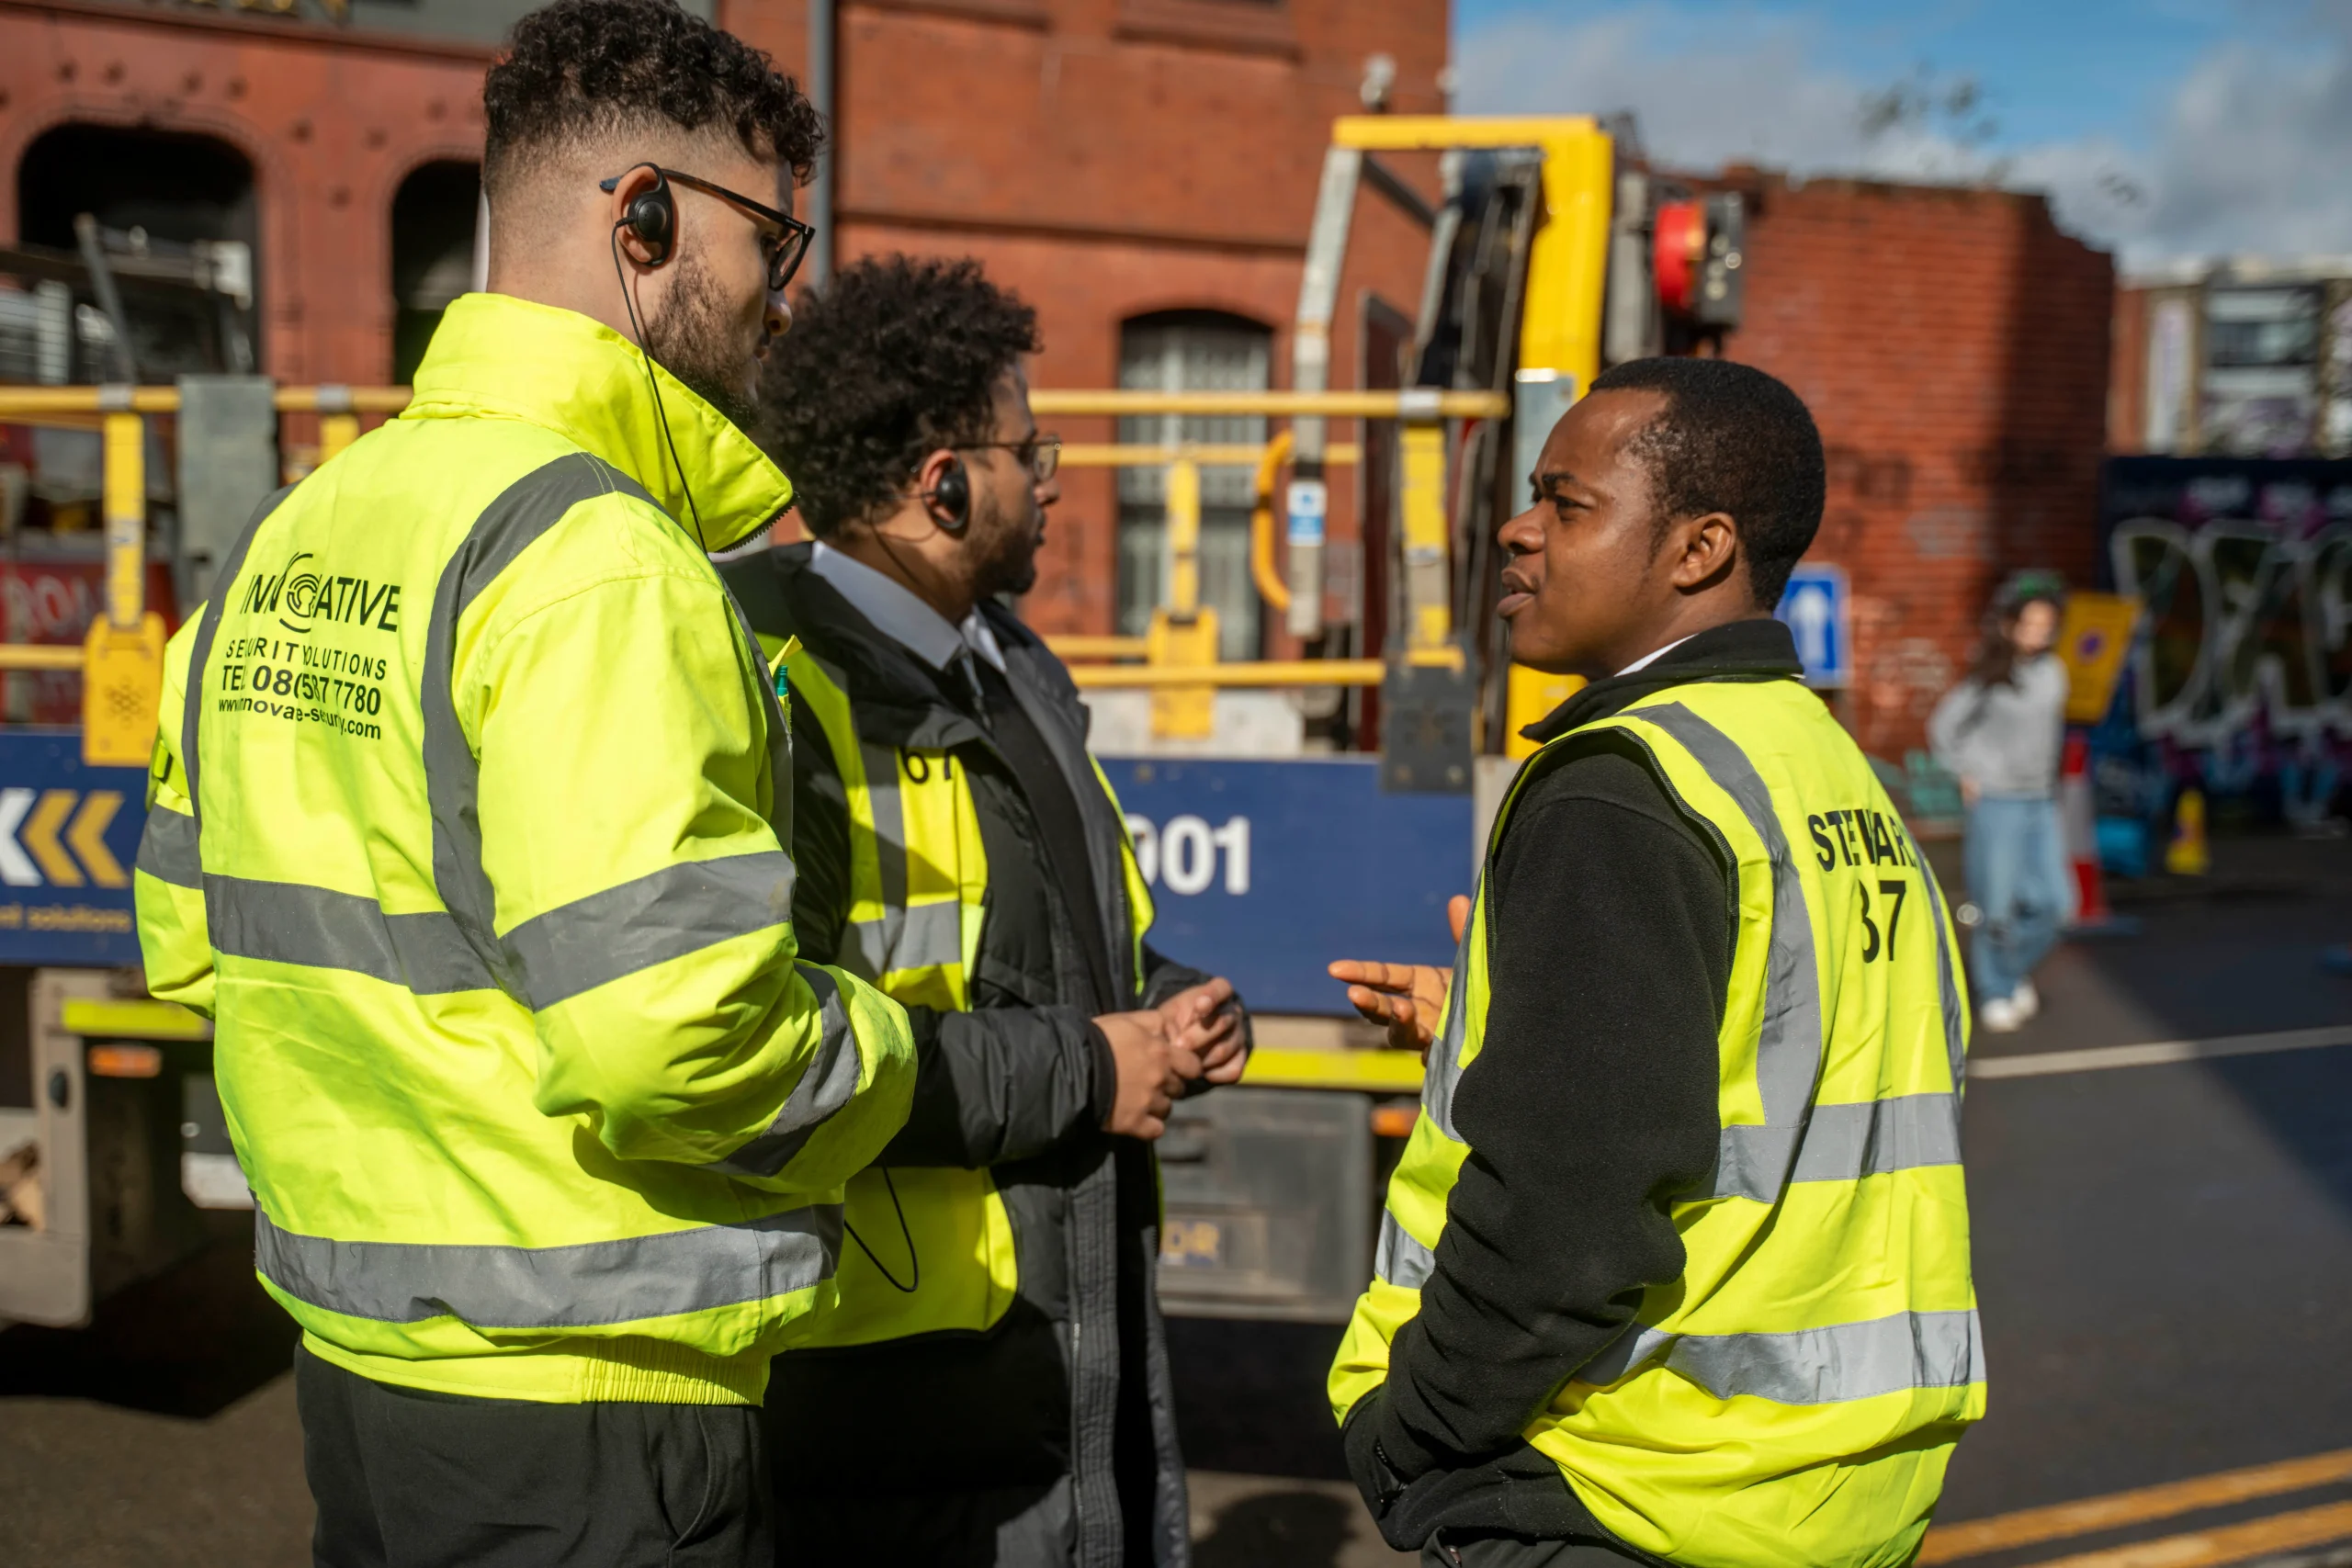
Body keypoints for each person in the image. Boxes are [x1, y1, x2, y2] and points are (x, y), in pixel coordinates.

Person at [130, 4, 918, 1562]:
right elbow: (669, 1044)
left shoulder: (302, 526)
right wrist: (892, 1055)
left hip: (364, 1367)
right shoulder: (602, 560)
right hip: (590, 1396)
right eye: (777, 242)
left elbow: (189, 937)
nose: (786, 300)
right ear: (644, 219)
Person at [1325, 357, 1984, 1568]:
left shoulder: (1622, 787)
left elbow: (1568, 1218)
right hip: (1833, 1498)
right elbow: (1785, 1068)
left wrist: (1409, 1431)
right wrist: (1511, 1037)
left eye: (1568, 504)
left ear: (1698, 548)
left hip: (1631, 1488)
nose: (1518, 530)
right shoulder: (1835, 771)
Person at [721, 254, 1250, 1568]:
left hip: (1056, 1346)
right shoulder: (772, 679)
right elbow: (768, 1047)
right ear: (940, 479)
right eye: (1031, 445)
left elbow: (1077, 943)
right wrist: (1092, 1066)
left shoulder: (1016, 664)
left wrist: (1169, 1001)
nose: (1057, 473)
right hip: (883, 1394)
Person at [1928, 571, 2073, 1032]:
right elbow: (1943, 727)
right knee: (1997, 907)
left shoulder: (2054, 673)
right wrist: (1964, 773)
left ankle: (2009, 973)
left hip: (2041, 803)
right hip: (1997, 804)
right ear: (2010, 625)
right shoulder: (1990, 676)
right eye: (2030, 624)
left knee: (2056, 904)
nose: (2038, 633)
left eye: (2045, 625)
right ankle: (1995, 989)